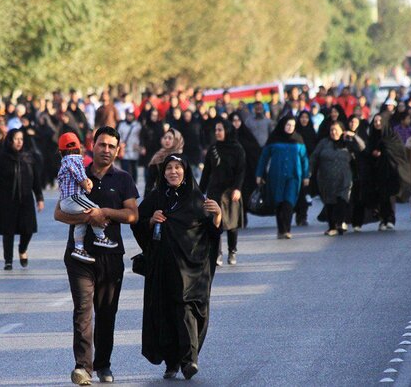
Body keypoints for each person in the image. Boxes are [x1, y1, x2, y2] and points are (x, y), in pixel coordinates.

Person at [54, 126, 139, 385]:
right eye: (102, 144)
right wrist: (87, 217)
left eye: (111, 146)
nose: (106, 150)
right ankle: (83, 367)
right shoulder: (77, 172)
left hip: (111, 257)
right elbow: (59, 213)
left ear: (117, 150)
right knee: (83, 310)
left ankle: (103, 364)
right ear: (92, 145)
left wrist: (105, 213)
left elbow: (132, 215)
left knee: (106, 312)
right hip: (80, 256)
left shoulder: (123, 179)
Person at [132, 153, 221, 380]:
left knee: (186, 309)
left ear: (185, 171)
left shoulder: (196, 198)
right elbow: (138, 223)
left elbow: (211, 233)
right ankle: (172, 362)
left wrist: (218, 216)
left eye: (177, 167)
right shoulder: (156, 197)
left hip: (191, 268)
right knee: (165, 313)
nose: (173, 172)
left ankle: (189, 360)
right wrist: (151, 220)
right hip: (162, 268)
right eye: (168, 168)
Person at [57, 132, 119, 264]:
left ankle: (79, 248)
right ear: (79, 148)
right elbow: (78, 174)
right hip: (73, 198)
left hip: (66, 200)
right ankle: (100, 236)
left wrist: (86, 181)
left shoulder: (64, 162)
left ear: (61, 151)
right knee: (94, 209)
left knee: (81, 222)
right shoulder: (74, 160)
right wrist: (86, 185)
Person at [0, 129, 44, 270]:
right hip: (7, 200)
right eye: (16, 139)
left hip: (25, 199)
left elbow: (36, 180)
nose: (19, 142)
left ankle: (22, 249)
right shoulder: (2, 158)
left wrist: (39, 198)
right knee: (8, 231)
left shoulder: (28, 157)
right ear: (10, 140)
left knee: (28, 229)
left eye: (21, 139)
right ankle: (8, 260)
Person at [255, 117, 309, 239]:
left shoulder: (298, 140)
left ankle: (287, 229)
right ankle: (281, 229)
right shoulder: (274, 139)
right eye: (288, 125)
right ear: (283, 125)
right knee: (279, 201)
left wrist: (306, 175)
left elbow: (304, 159)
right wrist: (259, 174)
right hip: (276, 176)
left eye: (293, 125)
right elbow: (264, 158)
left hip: (294, 176)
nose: (290, 128)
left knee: (289, 201)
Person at [199, 120, 244, 266]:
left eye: (220, 130)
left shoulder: (237, 149)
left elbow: (241, 171)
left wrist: (237, 188)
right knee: (215, 223)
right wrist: (199, 193)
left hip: (231, 192)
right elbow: (206, 172)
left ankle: (232, 251)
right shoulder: (213, 148)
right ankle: (217, 253)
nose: (217, 132)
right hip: (215, 191)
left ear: (227, 131)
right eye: (216, 130)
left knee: (231, 224)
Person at [309, 122, 365, 236]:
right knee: (329, 202)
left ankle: (340, 222)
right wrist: (310, 171)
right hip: (326, 177)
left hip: (344, 177)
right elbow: (314, 156)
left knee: (342, 199)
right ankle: (332, 227)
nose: (333, 132)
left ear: (342, 131)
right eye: (331, 130)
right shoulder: (324, 143)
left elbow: (362, 147)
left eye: (336, 130)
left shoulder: (347, 142)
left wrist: (353, 136)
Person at [366, 114, 410, 231]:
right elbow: (367, 152)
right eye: (375, 121)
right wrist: (373, 153)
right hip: (376, 172)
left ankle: (390, 219)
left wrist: (383, 153)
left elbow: (399, 153)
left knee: (390, 196)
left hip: (391, 172)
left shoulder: (392, 137)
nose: (378, 123)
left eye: (380, 121)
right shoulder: (372, 137)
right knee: (380, 197)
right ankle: (382, 219)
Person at [294, 111, 317, 226]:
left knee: (306, 191)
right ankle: (298, 214)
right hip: (296, 166)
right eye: (302, 117)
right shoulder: (295, 133)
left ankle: (303, 215)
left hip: (308, 167)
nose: (304, 120)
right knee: (297, 191)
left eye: (306, 117)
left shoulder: (312, 132)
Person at [145, 129, 184, 196]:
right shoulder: (158, 156)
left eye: (170, 138)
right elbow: (150, 181)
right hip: (161, 195)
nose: (167, 140)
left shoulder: (181, 158)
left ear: (176, 140)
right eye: (165, 138)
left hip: (180, 196)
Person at [116, 111, 142, 182]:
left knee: (134, 169)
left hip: (134, 150)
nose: (130, 117)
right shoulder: (122, 125)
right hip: (125, 150)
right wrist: (120, 143)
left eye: (131, 115)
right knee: (125, 169)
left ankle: (134, 184)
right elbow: (118, 135)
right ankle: (125, 183)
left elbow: (141, 136)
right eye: (128, 115)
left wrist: (139, 146)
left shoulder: (138, 125)